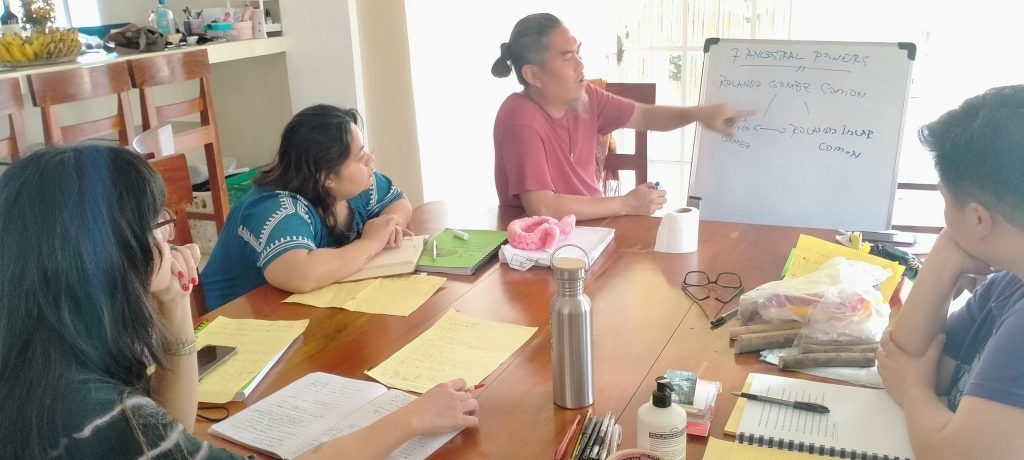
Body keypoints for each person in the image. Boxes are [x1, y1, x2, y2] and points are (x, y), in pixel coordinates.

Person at [0, 145, 479, 459]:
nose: (171, 239)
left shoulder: (41, 373)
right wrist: (413, 418)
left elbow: (168, 430)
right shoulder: (100, 414)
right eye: (156, 225)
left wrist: (174, 305)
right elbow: (299, 274)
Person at [876, 85, 1024, 459]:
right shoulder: (1010, 281)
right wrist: (944, 256)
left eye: (944, 199)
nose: (944, 216)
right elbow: (911, 360)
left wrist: (914, 391)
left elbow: (955, 454)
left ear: (978, 218)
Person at [491, 13, 753, 220]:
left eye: (579, 52)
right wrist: (627, 204)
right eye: (568, 57)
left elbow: (645, 115)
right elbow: (542, 207)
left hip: (590, 232)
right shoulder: (519, 116)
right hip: (538, 251)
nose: (581, 64)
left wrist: (699, 113)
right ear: (533, 75)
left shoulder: (586, 97)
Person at [201, 104, 413, 310]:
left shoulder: (358, 186)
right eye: (359, 157)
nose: (370, 159)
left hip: (301, 310)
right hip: (234, 322)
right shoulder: (275, 207)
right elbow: (300, 274)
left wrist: (388, 226)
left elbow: (399, 202)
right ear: (326, 176)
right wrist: (371, 243)